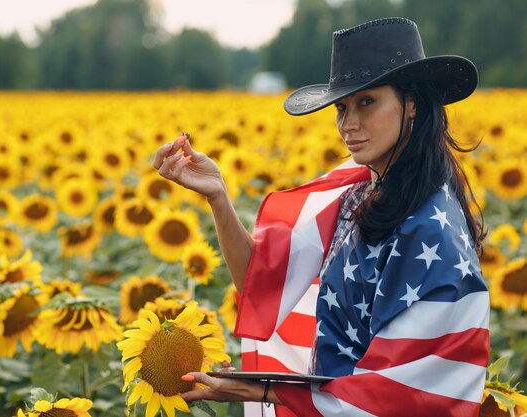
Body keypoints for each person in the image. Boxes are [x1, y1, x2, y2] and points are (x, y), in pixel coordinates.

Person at [153, 17, 489, 417]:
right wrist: (218, 197)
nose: (348, 124)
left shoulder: (431, 228)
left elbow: (404, 393)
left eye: (368, 102)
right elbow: (261, 286)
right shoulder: (358, 195)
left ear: (412, 103)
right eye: (342, 107)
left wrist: (255, 391)